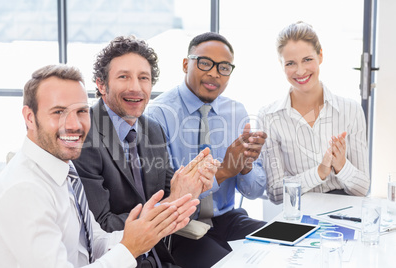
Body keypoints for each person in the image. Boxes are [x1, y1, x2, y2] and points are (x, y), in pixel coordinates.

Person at [0, 64, 200, 267]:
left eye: (82, 111)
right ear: (30, 117)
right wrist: (130, 249)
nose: (74, 125)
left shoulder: (62, 168)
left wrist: (145, 228)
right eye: (58, 112)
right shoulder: (24, 190)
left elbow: (94, 240)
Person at [73, 36, 220, 267]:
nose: (136, 87)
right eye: (124, 77)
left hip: (159, 255)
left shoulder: (153, 130)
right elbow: (101, 226)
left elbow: (183, 208)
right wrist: (172, 203)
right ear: (101, 84)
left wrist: (192, 189)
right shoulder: (83, 136)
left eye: (144, 78)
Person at [145, 32, 267, 268]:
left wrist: (245, 167)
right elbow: (165, 196)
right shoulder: (158, 115)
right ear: (185, 64)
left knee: (278, 245)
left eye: (223, 67)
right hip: (180, 228)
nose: (214, 73)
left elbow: (253, 191)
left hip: (228, 219)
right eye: (204, 63)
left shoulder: (237, 112)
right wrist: (223, 172)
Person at [257, 22, 370, 204]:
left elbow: (362, 189)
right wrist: (319, 172)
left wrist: (341, 166)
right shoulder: (269, 117)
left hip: (344, 211)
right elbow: (276, 193)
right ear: (281, 64)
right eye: (290, 63)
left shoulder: (351, 110)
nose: (300, 71)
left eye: (307, 59)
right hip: (298, 213)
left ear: (320, 55)